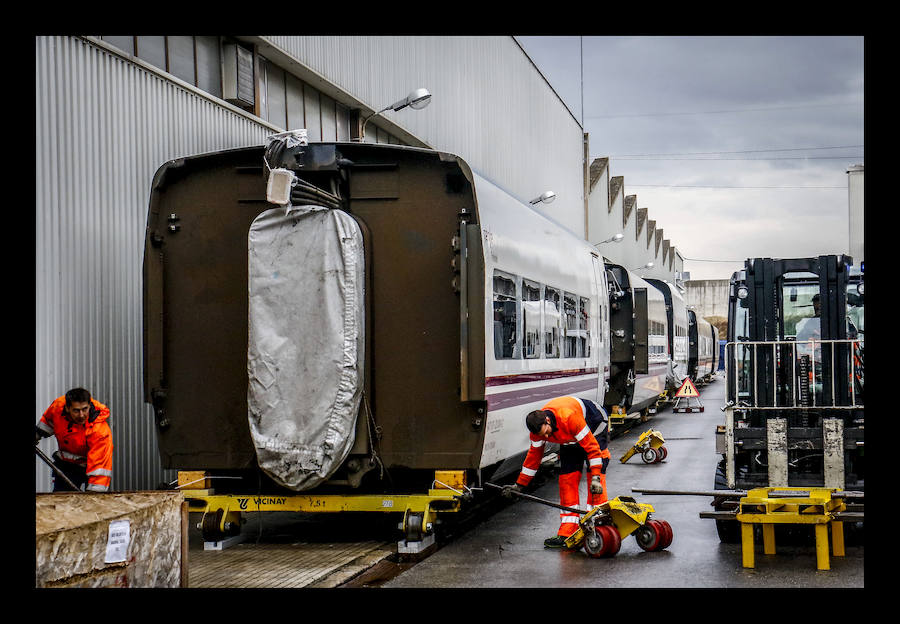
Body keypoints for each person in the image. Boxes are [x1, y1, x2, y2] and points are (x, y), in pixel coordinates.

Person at [504, 395, 611, 548]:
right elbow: (533, 459)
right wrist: (519, 485)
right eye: (543, 435)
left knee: (595, 479)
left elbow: (592, 449)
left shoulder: (569, 418)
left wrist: (595, 477)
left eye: (547, 432)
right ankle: (568, 532)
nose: (547, 437)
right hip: (568, 437)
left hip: (594, 424)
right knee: (567, 479)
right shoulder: (537, 431)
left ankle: (600, 527)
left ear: (547, 420)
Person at [35, 388, 113, 492]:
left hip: (89, 467)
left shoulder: (99, 432)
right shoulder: (58, 407)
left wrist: (95, 496)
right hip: (66, 465)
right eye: (76, 410)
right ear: (67, 408)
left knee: (91, 502)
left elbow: (99, 468)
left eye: (85, 409)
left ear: (90, 405)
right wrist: (37, 434)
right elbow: (48, 422)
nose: (81, 415)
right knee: (61, 502)